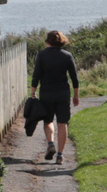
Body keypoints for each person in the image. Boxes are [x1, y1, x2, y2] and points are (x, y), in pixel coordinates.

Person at [31, 29, 80, 166]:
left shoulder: (42, 55)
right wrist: (76, 95)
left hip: (46, 93)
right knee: (62, 123)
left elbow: (36, 75)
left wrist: (33, 92)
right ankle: (60, 154)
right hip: (63, 93)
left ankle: (51, 143)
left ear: (48, 41)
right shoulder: (67, 55)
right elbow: (74, 78)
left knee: (48, 121)